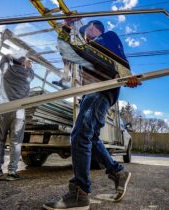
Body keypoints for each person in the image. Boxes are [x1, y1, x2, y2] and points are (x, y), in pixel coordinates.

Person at [43, 20, 141, 210]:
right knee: (91, 138)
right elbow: (64, 48)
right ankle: (117, 171)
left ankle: (80, 193)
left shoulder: (106, 38)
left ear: (98, 29)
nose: (89, 30)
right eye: (86, 28)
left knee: (79, 135)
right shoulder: (83, 50)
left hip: (102, 90)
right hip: (91, 94)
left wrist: (128, 75)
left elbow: (120, 57)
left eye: (92, 27)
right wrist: (66, 27)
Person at [0, 54, 34, 181]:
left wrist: (12, 56)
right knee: (15, 143)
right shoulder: (28, 75)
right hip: (18, 112)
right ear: (23, 63)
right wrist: (27, 63)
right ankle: (12, 172)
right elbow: (30, 69)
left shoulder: (6, 70)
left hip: (3, 108)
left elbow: (4, 57)